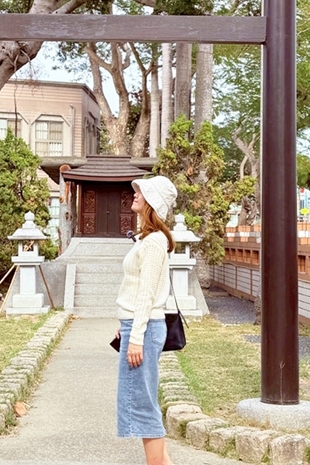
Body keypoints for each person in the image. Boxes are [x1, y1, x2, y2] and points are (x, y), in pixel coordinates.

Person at [115, 175, 177, 465]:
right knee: (141, 401)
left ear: (153, 202)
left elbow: (147, 294)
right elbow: (134, 290)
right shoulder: (148, 239)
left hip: (145, 327)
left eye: (142, 191)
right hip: (137, 325)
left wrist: (136, 336)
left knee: (143, 405)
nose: (136, 194)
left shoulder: (153, 242)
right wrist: (126, 324)